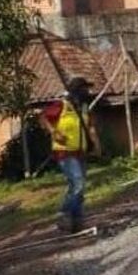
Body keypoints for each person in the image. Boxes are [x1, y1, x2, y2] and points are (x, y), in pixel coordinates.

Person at [41, 76, 98, 233]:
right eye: (84, 89)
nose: (87, 91)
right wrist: (54, 132)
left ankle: (76, 222)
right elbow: (44, 117)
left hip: (80, 152)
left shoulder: (85, 108)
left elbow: (91, 128)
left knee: (76, 187)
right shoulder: (62, 105)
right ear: (76, 91)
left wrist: (97, 146)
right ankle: (64, 213)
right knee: (78, 183)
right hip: (64, 152)